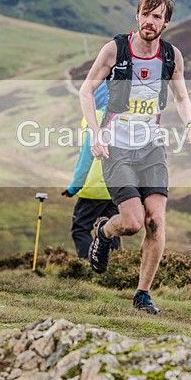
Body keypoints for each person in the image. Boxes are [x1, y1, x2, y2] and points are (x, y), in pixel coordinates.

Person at [80, 0, 191, 314]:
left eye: (157, 17)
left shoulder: (170, 56)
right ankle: (105, 232)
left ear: (165, 24)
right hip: (116, 147)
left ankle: (142, 294)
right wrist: (95, 134)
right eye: (146, 14)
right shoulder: (115, 50)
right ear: (137, 15)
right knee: (132, 223)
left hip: (152, 149)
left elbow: (181, 96)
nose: (150, 21)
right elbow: (86, 90)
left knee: (155, 223)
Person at [61, 83, 122, 258]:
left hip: (94, 188)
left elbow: (86, 158)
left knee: (80, 228)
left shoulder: (93, 120)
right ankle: (116, 265)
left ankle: (89, 264)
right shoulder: (121, 120)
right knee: (112, 228)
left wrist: (74, 188)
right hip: (116, 187)